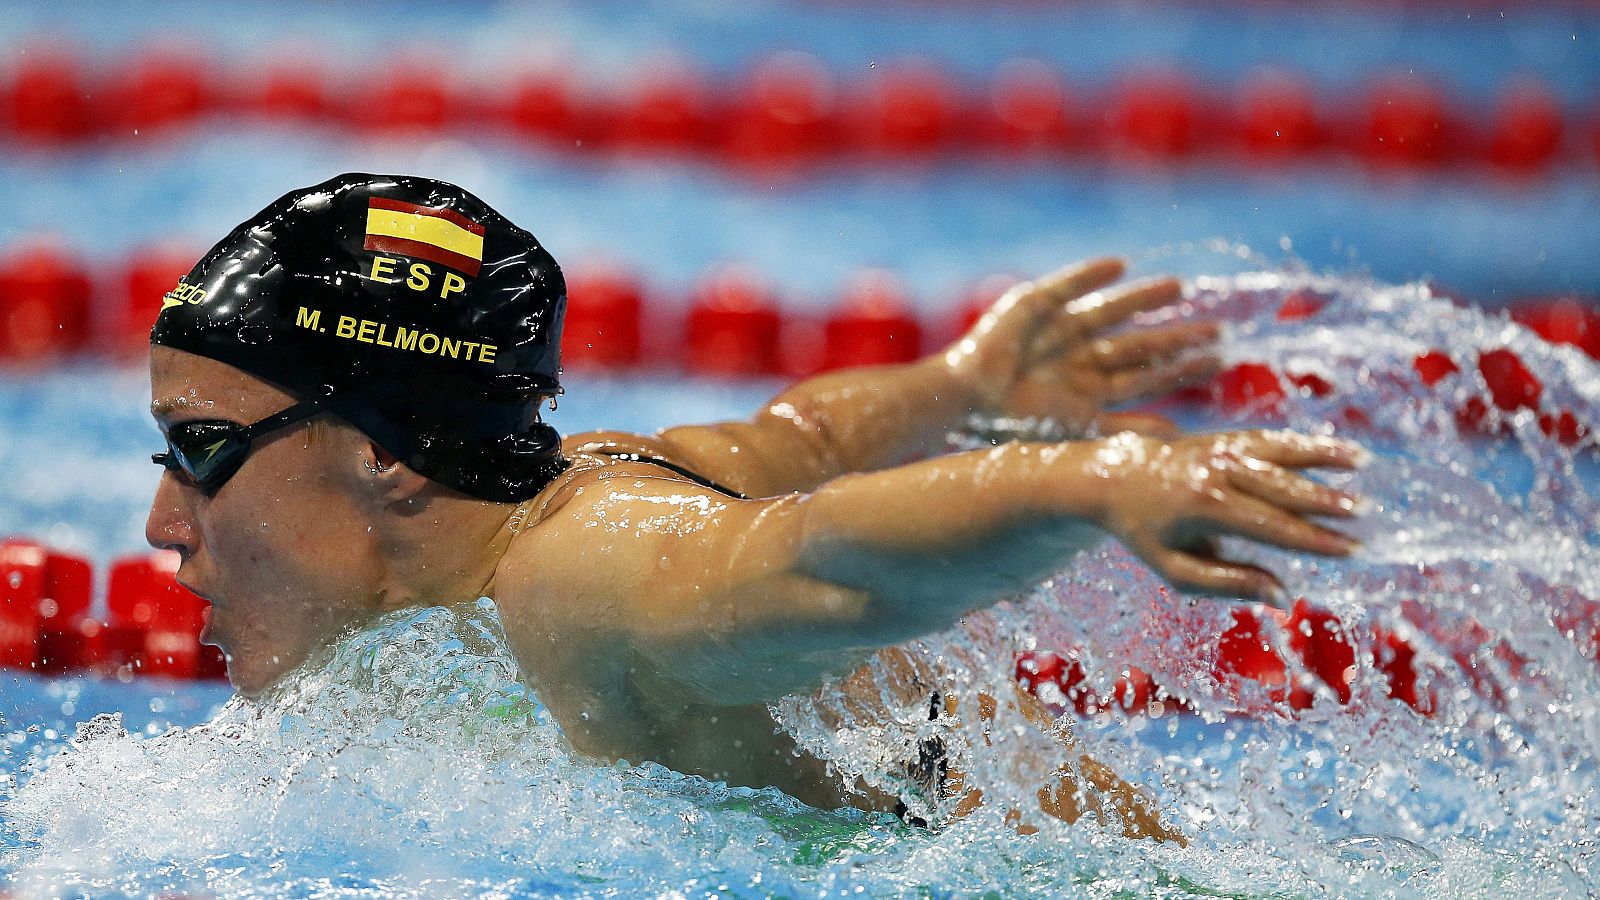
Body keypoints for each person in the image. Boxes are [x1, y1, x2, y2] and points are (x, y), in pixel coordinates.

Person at [146, 173, 1366, 842]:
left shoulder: (586, 577)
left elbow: (821, 559)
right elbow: (802, 440)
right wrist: (966, 384)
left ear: (387, 456)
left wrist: (1094, 481)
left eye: (200, 450)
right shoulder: (596, 479)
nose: (162, 522)